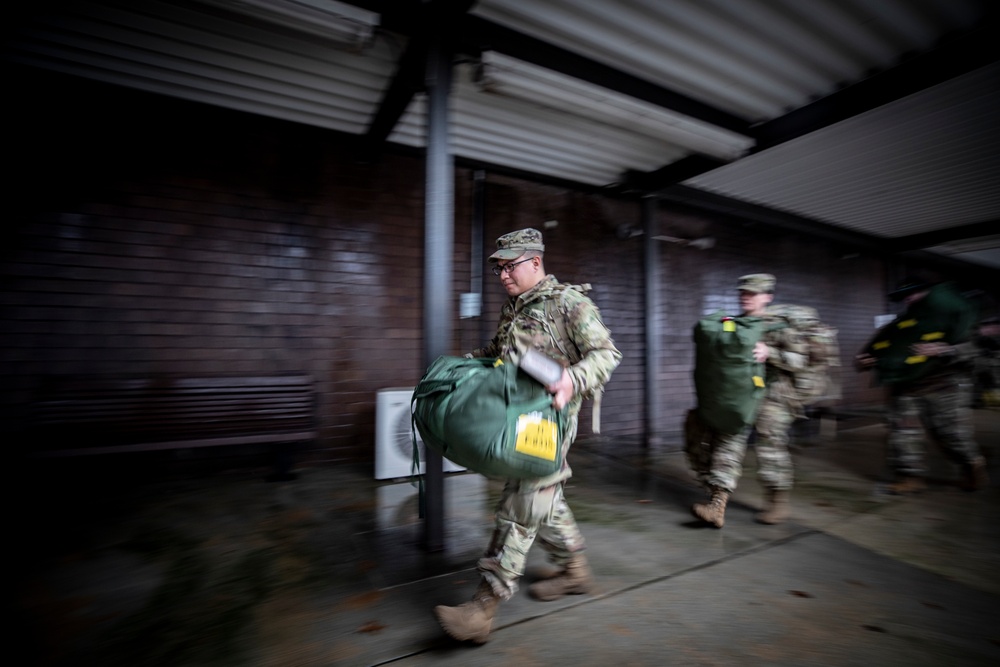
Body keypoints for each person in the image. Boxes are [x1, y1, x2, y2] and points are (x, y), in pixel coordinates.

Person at [433, 228, 622, 644]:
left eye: (510, 265)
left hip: (548, 422)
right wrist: (461, 365)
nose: (502, 273)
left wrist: (573, 378)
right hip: (515, 414)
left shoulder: (570, 304)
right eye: (499, 267)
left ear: (535, 262)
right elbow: (499, 354)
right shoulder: (514, 308)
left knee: (524, 497)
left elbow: (607, 353)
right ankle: (575, 572)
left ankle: (483, 606)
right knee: (545, 498)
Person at [855, 276, 989, 493]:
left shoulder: (955, 317)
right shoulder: (899, 325)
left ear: (930, 292)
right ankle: (910, 476)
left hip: (944, 384)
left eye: (913, 293)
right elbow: (872, 350)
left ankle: (972, 465)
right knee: (902, 433)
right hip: (906, 386)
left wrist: (944, 350)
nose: (908, 299)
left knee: (949, 433)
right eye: (904, 296)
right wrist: (863, 361)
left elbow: (973, 349)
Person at [690, 273, 803, 527]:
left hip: (772, 395)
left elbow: (800, 360)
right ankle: (717, 506)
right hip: (741, 395)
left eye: (752, 293)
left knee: (770, 447)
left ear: (768, 297)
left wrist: (770, 352)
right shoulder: (734, 323)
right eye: (743, 292)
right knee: (727, 443)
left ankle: (777, 501)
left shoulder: (780, 326)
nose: (746, 297)